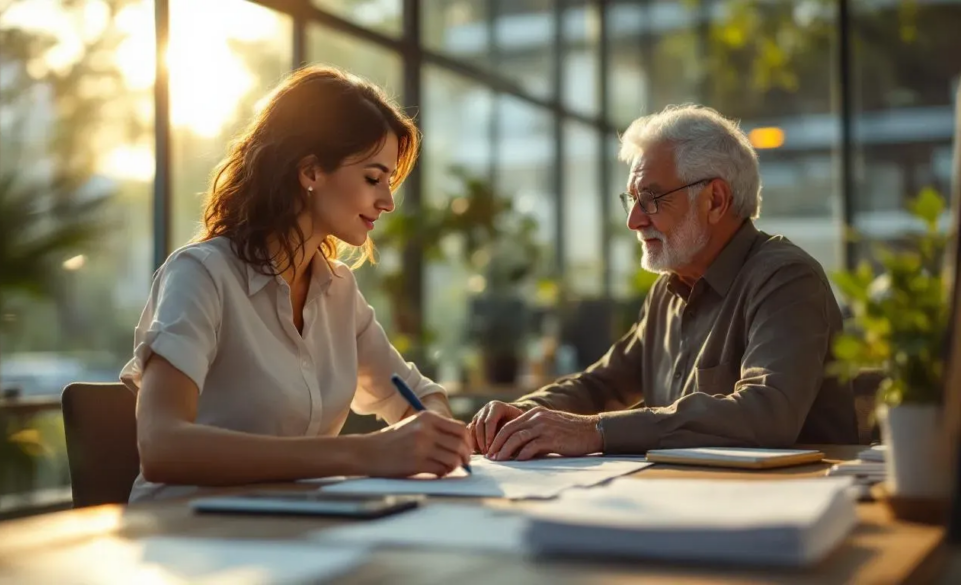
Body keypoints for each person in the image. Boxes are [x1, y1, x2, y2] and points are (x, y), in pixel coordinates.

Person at [121, 66, 471, 502]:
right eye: (372, 177)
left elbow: (418, 396)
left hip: (299, 527)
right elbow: (162, 446)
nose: (387, 201)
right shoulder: (201, 275)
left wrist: (433, 431)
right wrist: (362, 453)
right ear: (310, 172)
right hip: (191, 538)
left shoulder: (339, 292)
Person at [470, 104, 858, 460]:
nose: (634, 221)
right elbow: (601, 385)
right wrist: (520, 414)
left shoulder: (785, 278)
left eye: (652, 199)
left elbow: (766, 412)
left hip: (792, 511)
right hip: (686, 502)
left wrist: (597, 431)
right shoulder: (667, 292)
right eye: (632, 199)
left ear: (716, 200)